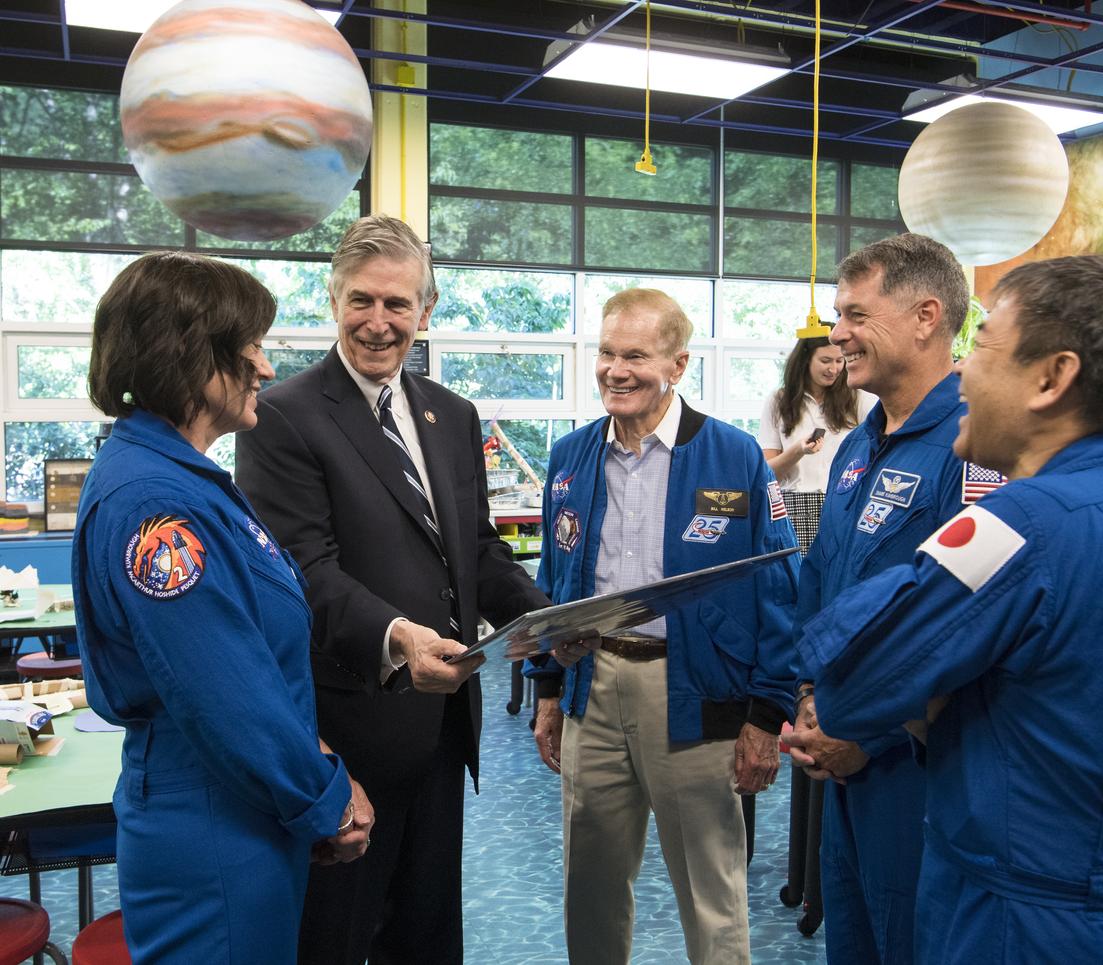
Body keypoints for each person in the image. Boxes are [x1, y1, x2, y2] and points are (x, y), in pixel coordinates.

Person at [791, 254, 1103, 962]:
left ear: (1053, 378)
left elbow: (858, 675)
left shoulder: (1025, 522)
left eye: (981, 347)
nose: (962, 372)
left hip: (1022, 917)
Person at [235, 215, 550, 965]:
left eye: (398, 304)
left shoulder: (452, 414)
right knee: (339, 939)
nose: (379, 323)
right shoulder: (281, 415)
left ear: (427, 310)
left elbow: (472, 551)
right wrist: (398, 639)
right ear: (333, 298)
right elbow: (304, 570)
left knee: (429, 935)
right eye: (362, 301)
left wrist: (544, 616)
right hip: (346, 736)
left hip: (443, 727)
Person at [72, 252, 371, 964]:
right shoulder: (158, 506)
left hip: (240, 801)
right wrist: (325, 797)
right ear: (188, 358)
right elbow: (224, 694)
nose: (266, 368)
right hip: (213, 812)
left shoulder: (186, 481)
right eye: (251, 349)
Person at [525, 288, 800, 965]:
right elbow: (556, 581)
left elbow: (778, 590)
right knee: (588, 882)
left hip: (694, 692)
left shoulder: (734, 456)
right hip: (595, 686)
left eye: (636, 356)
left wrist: (767, 715)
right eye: (607, 354)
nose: (616, 371)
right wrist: (550, 692)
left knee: (711, 889)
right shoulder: (571, 457)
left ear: (677, 364)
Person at [787, 233, 983, 965]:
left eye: (856, 314)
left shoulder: (974, 446)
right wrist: (810, 702)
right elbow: (820, 588)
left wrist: (860, 733)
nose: (837, 334)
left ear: (927, 316)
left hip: (916, 767)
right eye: (839, 314)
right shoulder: (857, 445)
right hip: (838, 757)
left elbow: (968, 626)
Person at [758, 334, 872, 492]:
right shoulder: (779, 400)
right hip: (792, 504)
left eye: (839, 360)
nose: (833, 369)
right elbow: (766, 475)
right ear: (805, 360)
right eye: (825, 361)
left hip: (842, 499)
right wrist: (798, 450)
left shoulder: (858, 398)